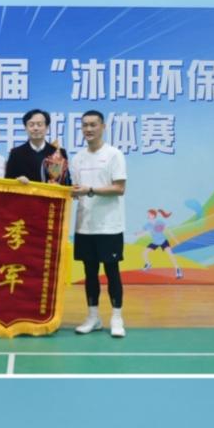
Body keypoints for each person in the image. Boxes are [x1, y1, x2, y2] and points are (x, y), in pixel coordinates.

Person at [70, 110, 129, 337]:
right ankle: (93, 317)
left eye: (93, 125)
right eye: (85, 125)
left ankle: (117, 317)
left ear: (103, 127)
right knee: (90, 272)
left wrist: (90, 190)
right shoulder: (77, 158)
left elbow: (119, 188)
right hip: (85, 225)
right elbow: (76, 190)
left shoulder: (114, 155)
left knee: (112, 271)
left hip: (109, 225)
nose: (88, 129)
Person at [4, 109, 70, 185]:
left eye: (39, 124)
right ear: (25, 128)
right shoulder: (16, 153)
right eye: (31, 125)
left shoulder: (58, 152)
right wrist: (17, 181)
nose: (35, 128)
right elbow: (7, 184)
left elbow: (67, 183)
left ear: (47, 127)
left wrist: (58, 185)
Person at [141, 208, 182, 278]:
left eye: (149, 214)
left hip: (163, 241)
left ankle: (178, 270)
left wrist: (175, 240)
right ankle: (148, 264)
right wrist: (138, 233)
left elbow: (168, 231)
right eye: (148, 214)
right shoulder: (147, 225)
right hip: (155, 242)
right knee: (144, 253)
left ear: (153, 215)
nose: (148, 215)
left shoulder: (160, 222)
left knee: (171, 255)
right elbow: (143, 232)